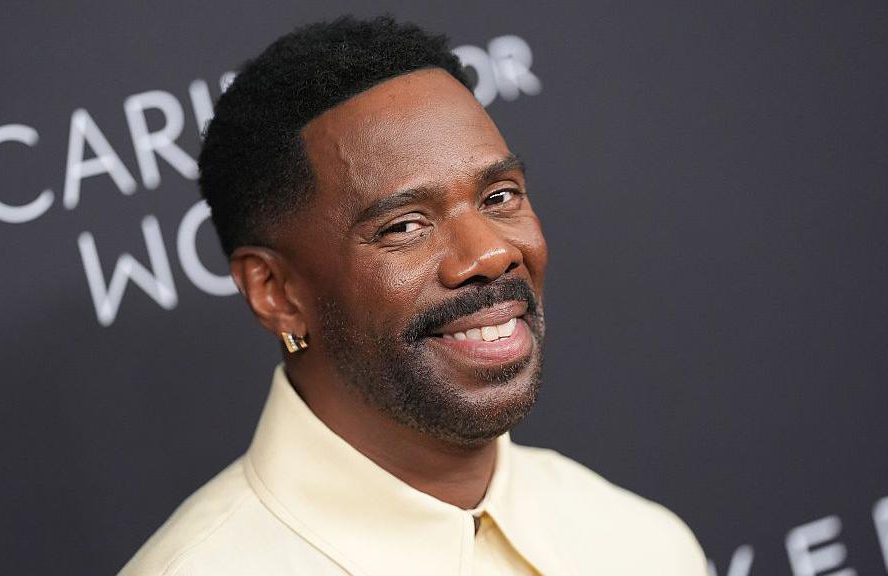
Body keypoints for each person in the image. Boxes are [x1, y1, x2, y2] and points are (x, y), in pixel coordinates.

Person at [120, 16, 707, 576]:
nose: (491, 254)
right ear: (276, 291)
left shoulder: (643, 544)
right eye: (404, 226)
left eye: (500, 196)